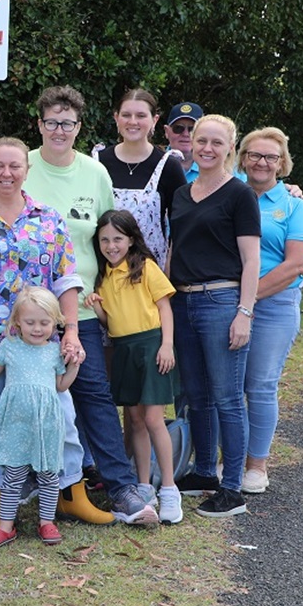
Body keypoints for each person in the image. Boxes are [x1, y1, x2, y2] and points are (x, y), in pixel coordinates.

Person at [0, 137, 113, 529]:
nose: (7, 174)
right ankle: (1, 506)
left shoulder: (49, 219)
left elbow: (66, 280)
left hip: (42, 344)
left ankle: (71, 496)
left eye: (15, 166)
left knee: (61, 421)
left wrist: (70, 332)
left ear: (27, 169)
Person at [23, 85, 159, 525]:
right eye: (51, 122)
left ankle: (120, 489)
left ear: (80, 127)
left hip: (80, 309)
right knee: (30, 401)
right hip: (27, 315)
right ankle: (31, 491)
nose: (59, 130)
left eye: (68, 123)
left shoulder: (94, 173)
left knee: (94, 396)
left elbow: (109, 242)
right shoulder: (19, 167)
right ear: (39, 124)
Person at [168, 115, 261, 518]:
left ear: (230, 148)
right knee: (196, 395)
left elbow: (251, 258)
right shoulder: (183, 192)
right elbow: (174, 250)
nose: (206, 147)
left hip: (221, 301)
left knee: (227, 397)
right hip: (183, 302)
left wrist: (244, 312)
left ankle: (231, 487)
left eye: (216, 142)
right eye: (200, 140)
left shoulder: (240, 195)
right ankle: (204, 471)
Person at [86, 210, 182, 524]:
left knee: (154, 418)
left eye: (117, 238)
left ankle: (169, 488)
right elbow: (110, 322)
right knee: (136, 420)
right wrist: (98, 309)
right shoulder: (104, 276)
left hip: (152, 346)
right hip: (124, 349)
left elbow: (164, 307)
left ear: (130, 239)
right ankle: (143, 487)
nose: (111, 245)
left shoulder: (146, 268)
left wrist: (167, 344)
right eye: (104, 240)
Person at [237, 128, 303, 494]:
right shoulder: (228, 191)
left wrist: (247, 302)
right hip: (229, 301)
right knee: (228, 385)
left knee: (261, 385)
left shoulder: (293, 204)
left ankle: (256, 464)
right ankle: (230, 458)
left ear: (282, 164)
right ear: (242, 157)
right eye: (255, 154)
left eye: (271, 157)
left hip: (274, 304)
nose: (262, 162)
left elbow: (296, 264)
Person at [0, 286, 79, 549]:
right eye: (30, 322)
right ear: (17, 322)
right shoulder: (10, 347)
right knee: (13, 475)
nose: (37, 328)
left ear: (55, 323)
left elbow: (61, 385)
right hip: (16, 423)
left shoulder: (54, 351)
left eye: (44, 323)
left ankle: (46, 521)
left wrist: (74, 364)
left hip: (46, 422)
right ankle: (6, 527)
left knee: (48, 474)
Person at [91, 89, 186, 269]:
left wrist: (169, 271)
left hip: (150, 276)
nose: (133, 121)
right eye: (126, 115)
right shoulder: (98, 162)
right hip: (104, 274)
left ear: (154, 120)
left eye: (141, 115)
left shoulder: (168, 166)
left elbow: (180, 227)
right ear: (116, 118)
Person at [163, 101, 204, 183]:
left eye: (192, 129)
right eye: (178, 128)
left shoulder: (221, 169)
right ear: (167, 132)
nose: (186, 134)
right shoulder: (153, 164)